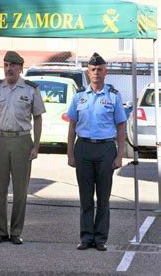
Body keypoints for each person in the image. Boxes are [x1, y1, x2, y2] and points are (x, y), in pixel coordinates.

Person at [0, 50, 45, 245]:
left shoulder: (30, 89)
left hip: (21, 141)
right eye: (6, 65)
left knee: (20, 190)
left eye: (12, 65)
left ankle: (16, 231)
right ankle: (0, 231)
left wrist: (36, 146)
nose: (8, 69)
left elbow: (37, 118)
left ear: (20, 68)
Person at [67, 52, 126, 251]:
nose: (96, 73)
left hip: (105, 149)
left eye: (100, 69)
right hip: (83, 148)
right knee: (85, 197)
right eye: (93, 69)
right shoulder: (79, 97)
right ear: (87, 72)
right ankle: (86, 238)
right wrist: (70, 153)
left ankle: (100, 239)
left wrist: (119, 155)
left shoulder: (114, 96)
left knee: (103, 197)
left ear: (106, 72)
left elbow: (121, 126)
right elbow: (72, 126)